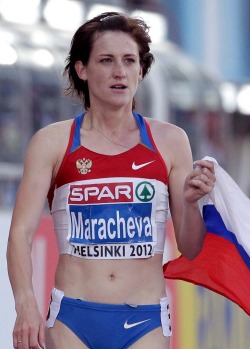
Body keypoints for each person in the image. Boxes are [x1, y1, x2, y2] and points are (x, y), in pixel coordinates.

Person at [7, 12, 214, 349]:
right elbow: (20, 234)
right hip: (73, 317)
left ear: (141, 70)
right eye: (106, 60)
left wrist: (193, 203)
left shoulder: (170, 141)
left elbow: (190, 247)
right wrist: (25, 302)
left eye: (129, 60)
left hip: (145, 319)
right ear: (82, 70)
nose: (120, 71)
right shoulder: (52, 142)